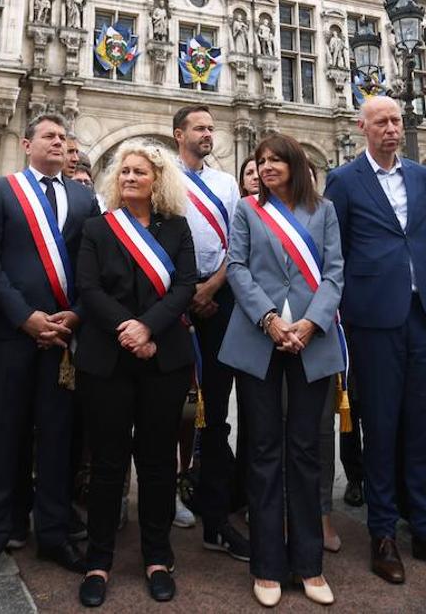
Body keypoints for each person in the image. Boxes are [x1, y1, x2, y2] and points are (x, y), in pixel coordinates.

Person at [323, 96, 426, 585]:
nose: (392, 128)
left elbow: (422, 237)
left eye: (397, 120)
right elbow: (339, 249)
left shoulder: (419, 176)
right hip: (373, 318)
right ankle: (382, 533)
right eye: (382, 122)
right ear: (363, 127)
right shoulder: (344, 180)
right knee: (382, 425)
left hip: (423, 316)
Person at [0, 113, 100, 595]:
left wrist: (77, 315)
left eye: (64, 138)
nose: (59, 143)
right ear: (26, 144)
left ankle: (55, 534)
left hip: (64, 337)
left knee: (59, 438)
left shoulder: (85, 197)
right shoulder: (3, 191)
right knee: (5, 435)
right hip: (13, 333)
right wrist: (25, 318)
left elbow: (93, 266)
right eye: (49, 136)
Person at [221, 134, 344, 607]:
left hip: (312, 340)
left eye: (275, 160)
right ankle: (268, 566)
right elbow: (237, 267)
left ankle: (310, 565)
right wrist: (271, 321)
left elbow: (335, 272)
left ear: (296, 163)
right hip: (260, 338)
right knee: (265, 450)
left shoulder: (325, 211)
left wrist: (311, 323)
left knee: (306, 452)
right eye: (260, 160)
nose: (266, 166)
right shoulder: (249, 209)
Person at [73, 140, 197, 607]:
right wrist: (128, 329)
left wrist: (149, 327)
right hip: (108, 357)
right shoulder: (97, 229)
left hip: (163, 357)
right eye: (123, 171)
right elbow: (86, 286)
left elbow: (186, 285)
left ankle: (157, 557)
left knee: (157, 462)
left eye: (139, 172)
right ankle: (98, 560)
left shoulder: (178, 229)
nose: (128, 177)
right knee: (107, 465)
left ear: (156, 180)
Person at [173, 105, 250, 560]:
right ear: (179, 133)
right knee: (170, 410)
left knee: (215, 412)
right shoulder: (165, 176)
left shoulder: (225, 184)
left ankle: (216, 518)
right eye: (200, 127)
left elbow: (237, 243)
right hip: (177, 304)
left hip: (219, 301)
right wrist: (186, 293)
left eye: (211, 128)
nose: (209, 133)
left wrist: (214, 285)